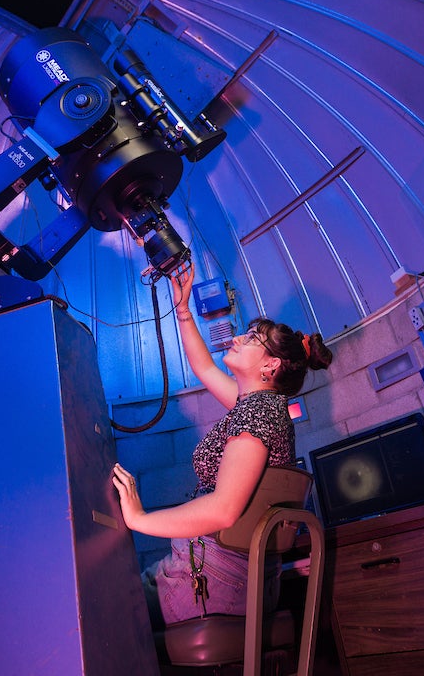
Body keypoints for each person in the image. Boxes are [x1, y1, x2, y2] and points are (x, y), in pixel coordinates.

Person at [111, 261, 333, 628]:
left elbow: (224, 511)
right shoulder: (260, 405)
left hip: (213, 581)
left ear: (270, 366)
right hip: (219, 572)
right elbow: (205, 368)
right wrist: (182, 310)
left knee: (106, 610)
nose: (235, 338)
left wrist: (139, 519)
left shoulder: (258, 415)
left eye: (250, 340)